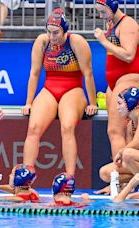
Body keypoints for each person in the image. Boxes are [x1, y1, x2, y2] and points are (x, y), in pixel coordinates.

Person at [20, 8, 98, 200]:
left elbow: (88, 74)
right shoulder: (42, 42)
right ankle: (25, 181)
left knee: (67, 127)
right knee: (33, 128)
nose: (51, 36)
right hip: (49, 89)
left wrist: (93, 102)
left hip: (73, 89)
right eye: (49, 31)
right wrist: (28, 102)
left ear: (65, 31)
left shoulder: (76, 42)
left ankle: (69, 179)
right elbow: (34, 74)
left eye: (55, 33)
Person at [93, 0, 139, 193]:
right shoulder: (113, 24)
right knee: (115, 132)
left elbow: (129, 55)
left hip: (128, 79)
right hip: (115, 83)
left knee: (118, 132)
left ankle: (121, 184)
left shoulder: (128, 24)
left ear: (112, 8)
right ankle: (120, 182)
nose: (101, 16)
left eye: (103, 12)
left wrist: (103, 42)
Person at [105, 87, 139, 201]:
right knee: (106, 172)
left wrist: (120, 152)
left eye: (120, 103)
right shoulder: (131, 125)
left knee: (127, 154)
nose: (117, 107)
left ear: (130, 103)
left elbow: (136, 143)